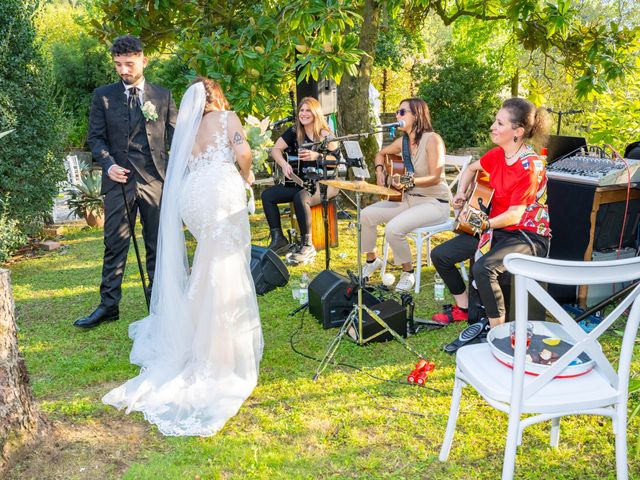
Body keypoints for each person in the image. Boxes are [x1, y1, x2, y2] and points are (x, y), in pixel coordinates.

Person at [102, 78, 263, 436]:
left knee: (208, 262)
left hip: (193, 197)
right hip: (221, 191)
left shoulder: (187, 130)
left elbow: (182, 168)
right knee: (225, 264)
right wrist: (247, 177)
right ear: (218, 96)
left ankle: (194, 334)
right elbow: (244, 152)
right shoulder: (228, 118)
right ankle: (220, 346)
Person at [75, 35, 177, 328]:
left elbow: (178, 136)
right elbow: (95, 138)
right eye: (118, 64)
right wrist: (108, 165)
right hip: (118, 182)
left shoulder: (162, 96)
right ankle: (109, 306)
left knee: (157, 244)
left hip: (155, 180)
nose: (123, 70)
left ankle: (158, 302)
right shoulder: (103, 96)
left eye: (128, 64)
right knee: (114, 243)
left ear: (144, 60)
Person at [431, 97, 551, 332]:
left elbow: (515, 215)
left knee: (484, 268)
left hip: (526, 235)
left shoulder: (530, 167)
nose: (492, 127)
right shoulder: (497, 155)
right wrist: (462, 193)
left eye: (499, 123)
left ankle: (498, 332)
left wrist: (484, 224)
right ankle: (463, 308)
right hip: (495, 228)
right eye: (495, 121)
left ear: (517, 131)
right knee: (441, 255)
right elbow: (471, 170)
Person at [360, 98, 450, 292]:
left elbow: (435, 177)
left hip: (434, 203)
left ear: (416, 115)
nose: (397, 116)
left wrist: (406, 182)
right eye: (396, 112)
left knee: (393, 228)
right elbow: (380, 154)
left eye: (402, 112)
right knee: (366, 214)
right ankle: (372, 260)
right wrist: (379, 171)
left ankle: (408, 272)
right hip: (408, 199)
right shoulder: (403, 142)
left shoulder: (433, 139)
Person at [261, 97, 339, 263]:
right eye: (301, 110)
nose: (303, 114)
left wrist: (317, 155)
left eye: (307, 110)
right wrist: (283, 164)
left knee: (301, 197)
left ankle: (307, 245)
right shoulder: (295, 130)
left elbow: (336, 162)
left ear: (316, 113)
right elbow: (276, 149)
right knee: (268, 195)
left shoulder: (325, 134)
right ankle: (279, 240)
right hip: (301, 181)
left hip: (325, 183)